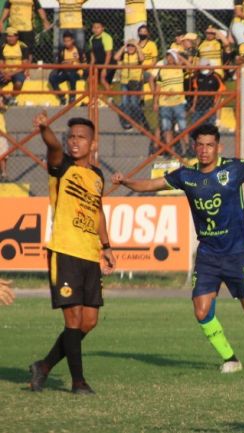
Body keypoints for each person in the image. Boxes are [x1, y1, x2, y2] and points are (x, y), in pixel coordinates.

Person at [112, 124, 244, 373]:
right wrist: (127, 181)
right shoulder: (186, 176)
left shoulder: (234, 169)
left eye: (209, 145)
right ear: (194, 147)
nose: (204, 150)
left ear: (218, 147)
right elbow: (151, 185)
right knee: (201, 310)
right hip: (208, 255)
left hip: (238, 253)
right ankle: (231, 359)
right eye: (200, 145)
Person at [28, 113, 116, 394]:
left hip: (90, 255)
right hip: (64, 252)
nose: (74, 142)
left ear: (93, 142)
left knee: (89, 322)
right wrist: (45, 129)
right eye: (71, 137)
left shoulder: (97, 175)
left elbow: (98, 211)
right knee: (73, 319)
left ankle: (43, 366)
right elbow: (53, 147)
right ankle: (79, 382)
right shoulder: (61, 165)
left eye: (81, 137)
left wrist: (106, 246)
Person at [150, 50, 191, 156]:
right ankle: (170, 150)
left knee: (183, 127)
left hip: (179, 103)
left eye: (172, 57)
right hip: (165, 104)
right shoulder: (162, 70)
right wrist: (155, 102)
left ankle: (187, 148)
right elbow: (158, 88)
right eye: (168, 57)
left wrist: (180, 58)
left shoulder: (180, 69)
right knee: (166, 128)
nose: (169, 59)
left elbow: (190, 67)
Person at [114, 40, 148, 131]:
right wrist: (124, 46)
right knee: (125, 103)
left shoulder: (137, 55)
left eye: (132, 46)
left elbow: (142, 59)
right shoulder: (124, 55)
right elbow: (116, 57)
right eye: (129, 46)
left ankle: (138, 120)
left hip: (135, 82)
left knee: (134, 103)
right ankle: (127, 122)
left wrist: (137, 46)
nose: (130, 48)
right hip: (125, 81)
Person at [0, 28, 31, 106]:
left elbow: (23, 66)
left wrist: (10, 74)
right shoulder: (2, 47)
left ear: (17, 37)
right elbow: (1, 63)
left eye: (13, 36)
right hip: (5, 72)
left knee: (18, 84)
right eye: (8, 36)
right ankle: (6, 98)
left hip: (17, 71)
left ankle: (11, 97)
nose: (10, 38)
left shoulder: (23, 47)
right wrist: (4, 73)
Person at [88, 21, 116, 90]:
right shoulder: (92, 39)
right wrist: (91, 68)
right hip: (99, 63)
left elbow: (108, 54)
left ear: (103, 28)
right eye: (94, 27)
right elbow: (93, 56)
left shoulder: (106, 37)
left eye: (98, 27)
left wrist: (104, 69)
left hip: (109, 63)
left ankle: (110, 98)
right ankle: (94, 99)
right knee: (90, 80)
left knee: (102, 79)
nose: (96, 29)